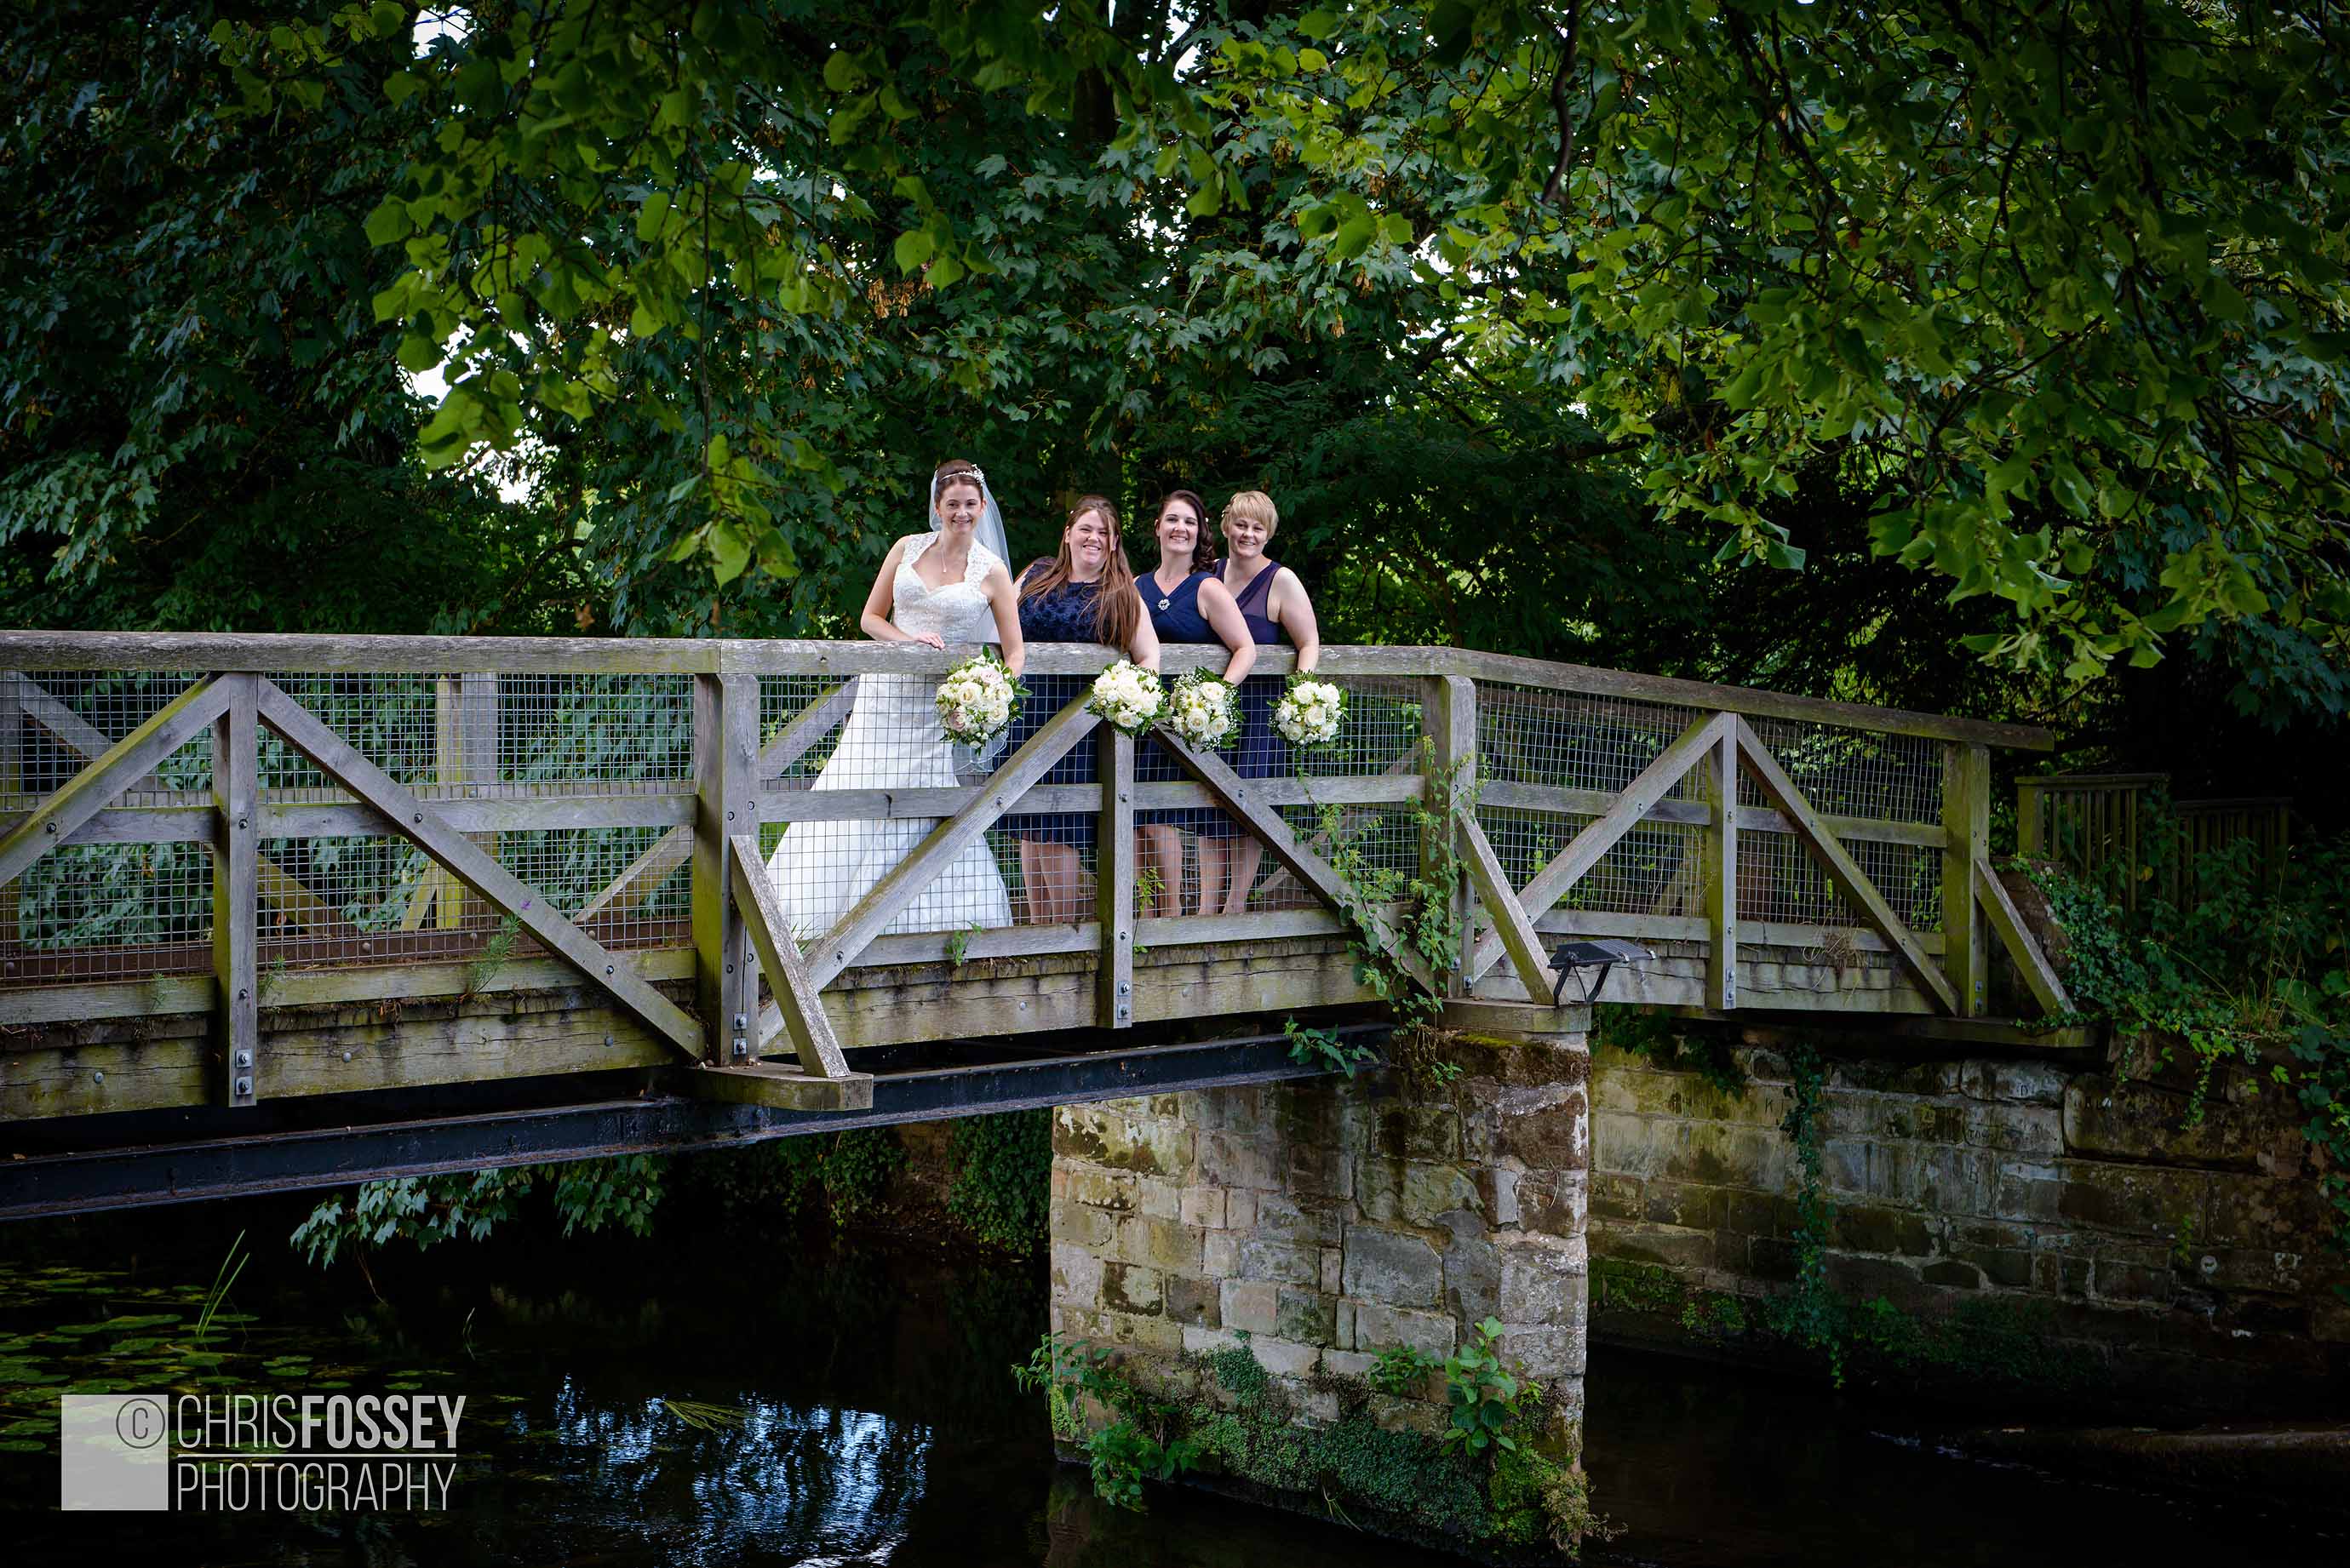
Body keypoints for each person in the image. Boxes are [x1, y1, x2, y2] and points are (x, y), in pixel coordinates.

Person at [765, 460, 1026, 938]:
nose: (962, 513)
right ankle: (814, 919)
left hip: (937, 707)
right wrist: (905, 643)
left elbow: (1015, 654)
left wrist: (989, 697)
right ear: (937, 506)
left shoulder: (992, 572)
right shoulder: (907, 548)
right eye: (953, 505)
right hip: (883, 693)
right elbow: (870, 618)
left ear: (983, 507)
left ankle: (911, 924)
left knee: (921, 798)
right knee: (855, 781)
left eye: (970, 505)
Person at [1005, 495, 1161, 924]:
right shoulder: (1035, 575)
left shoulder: (1119, 593)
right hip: (1030, 716)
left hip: (1080, 729)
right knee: (1028, 830)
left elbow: (1149, 658)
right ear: (1068, 534)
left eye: (1104, 533)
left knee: (1059, 829)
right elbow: (999, 631)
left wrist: (1123, 695)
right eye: (1086, 529)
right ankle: (1037, 931)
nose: (1094, 538)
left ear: (1113, 544)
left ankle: (1063, 938)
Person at [1134, 489, 1257, 918]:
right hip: (1143, 719)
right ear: (1158, 528)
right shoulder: (1136, 586)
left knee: (1168, 816)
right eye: (1172, 520)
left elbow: (1246, 649)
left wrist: (1215, 696)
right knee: (1136, 818)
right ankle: (1147, 912)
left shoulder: (1207, 588)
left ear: (1200, 532)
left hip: (1187, 723)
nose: (1180, 529)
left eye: (1189, 522)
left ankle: (1174, 914)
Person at [1212, 489, 1321, 917]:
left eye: (1258, 528)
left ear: (1269, 534)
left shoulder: (1282, 581)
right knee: (1209, 805)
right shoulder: (1209, 574)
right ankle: (1206, 902)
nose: (1248, 534)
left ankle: (1235, 903)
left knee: (1250, 807)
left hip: (1260, 711)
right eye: (1241, 524)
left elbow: (1308, 642)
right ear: (1226, 526)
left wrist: (1302, 695)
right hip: (1212, 708)